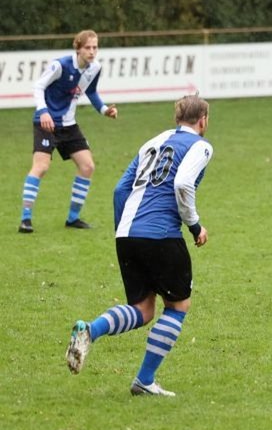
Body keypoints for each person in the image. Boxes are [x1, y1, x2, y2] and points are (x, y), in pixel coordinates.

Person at [66, 94, 214, 396]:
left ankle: (90, 330)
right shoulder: (201, 145)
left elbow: (120, 189)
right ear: (203, 121)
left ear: (177, 118)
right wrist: (195, 225)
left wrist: (124, 231)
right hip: (161, 234)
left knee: (143, 309)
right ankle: (144, 380)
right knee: (178, 306)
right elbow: (182, 184)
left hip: (127, 233)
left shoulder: (153, 142)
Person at [18, 29, 118, 233]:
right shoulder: (60, 65)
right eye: (88, 47)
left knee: (87, 166)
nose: (92, 51)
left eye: (95, 47)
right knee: (41, 167)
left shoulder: (95, 68)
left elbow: (91, 91)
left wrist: (104, 110)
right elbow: (38, 87)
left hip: (69, 125)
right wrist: (43, 112)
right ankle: (25, 219)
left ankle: (73, 219)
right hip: (46, 123)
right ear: (78, 49)